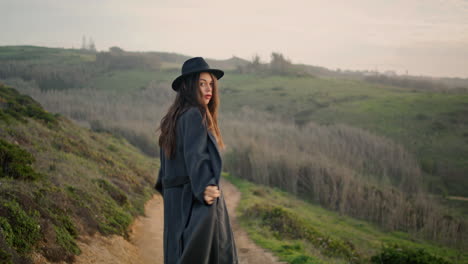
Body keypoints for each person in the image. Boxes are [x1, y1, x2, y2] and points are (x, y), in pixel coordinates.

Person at [154, 57, 238, 264]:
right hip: (193, 202)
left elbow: (164, 173)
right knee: (210, 255)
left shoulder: (172, 119)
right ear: (188, 86)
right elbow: (196, 155)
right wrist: (204, 187)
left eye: (211, 84)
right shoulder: (194, 114)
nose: (208, 89)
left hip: (176, 203)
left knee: (178, 253)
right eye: (202, 83)